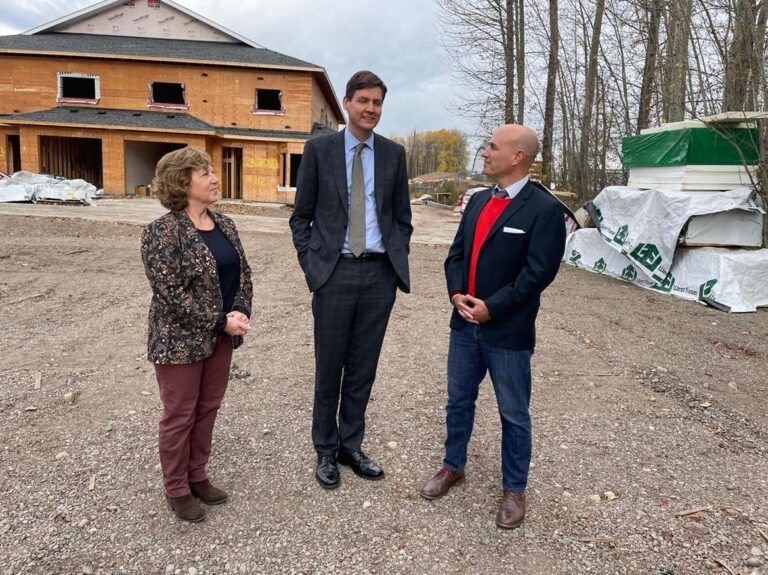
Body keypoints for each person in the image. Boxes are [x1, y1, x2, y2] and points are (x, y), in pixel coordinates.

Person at [419, 124, 566, 529]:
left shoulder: (545, 210)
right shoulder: (480, 200)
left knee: (513, 413)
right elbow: (456, 256)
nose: (484, 152)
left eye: (492, 147)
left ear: (518, 157)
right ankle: (453, 466)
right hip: (464, 324)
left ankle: (514, 490)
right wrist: (456, 295)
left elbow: (538, 274)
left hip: (508, 332)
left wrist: (492, 308)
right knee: (458, 401)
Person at [289, 70, 412, 489]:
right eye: (364, 101)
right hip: (334, 273)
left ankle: (351, 445)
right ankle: (324, 450)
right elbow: (300, 217)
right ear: (346, 103)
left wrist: (397, 256)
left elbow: (402, 217)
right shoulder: (319, 150)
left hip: (379, 275)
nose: (371, 109)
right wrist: (313, 265)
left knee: (363, 367)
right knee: (330, 368)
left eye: (377, 102)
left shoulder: (394, 155)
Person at [141, 147, 253, 522]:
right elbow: (171, 295)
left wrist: (241, 310)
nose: (215, 178)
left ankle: (197, 474)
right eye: (205, 173)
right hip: (178, 341)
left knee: (208, 408)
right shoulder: (162, 232)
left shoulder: (225, 224)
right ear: (182, 181)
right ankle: (176, 488)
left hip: (221, 338)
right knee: (179, 414)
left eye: (212, 171)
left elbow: (244, 274)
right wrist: (221, 321)